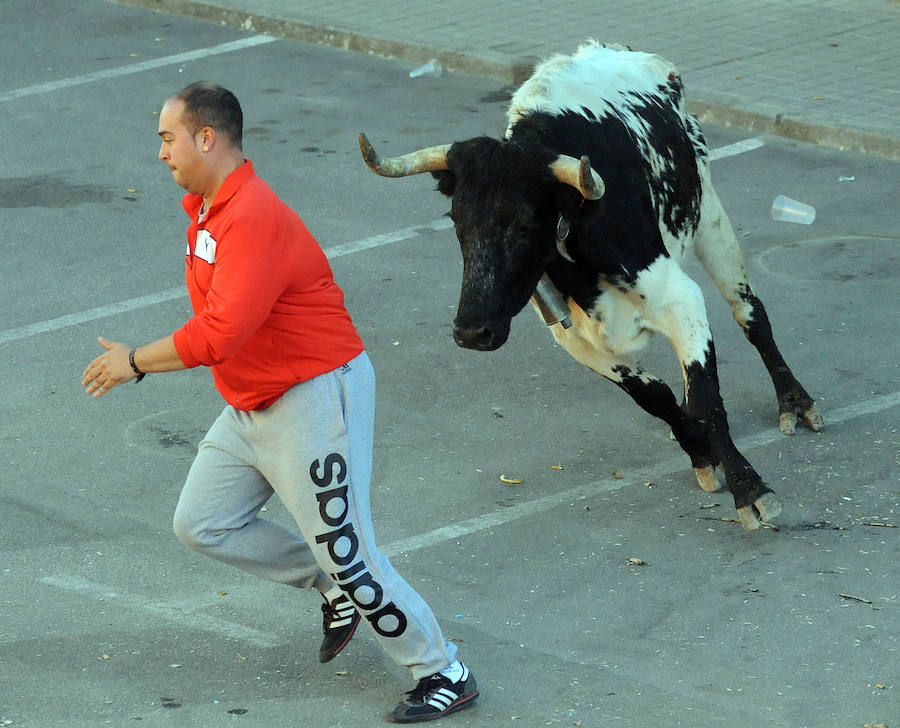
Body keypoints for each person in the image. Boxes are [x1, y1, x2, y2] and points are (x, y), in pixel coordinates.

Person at [81, 81, 478, 723]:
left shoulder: (251, 216)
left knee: (349, 552)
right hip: (252, 400)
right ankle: (328, 585)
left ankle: (442, 670)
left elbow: (218, 333)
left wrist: (133, 361)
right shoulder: (208, 209)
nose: (160, 153)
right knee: (203, 523)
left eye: (166, 138)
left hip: (315, 398)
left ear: (205, 138)